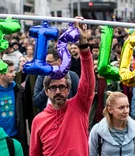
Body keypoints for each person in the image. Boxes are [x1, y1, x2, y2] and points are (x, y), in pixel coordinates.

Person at [29, 17, 95, 156]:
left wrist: (83, 45)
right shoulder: (38, 121)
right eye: (53, 88)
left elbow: (88, 80)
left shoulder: (79, 107)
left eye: (62, 87)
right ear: (46, 91)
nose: (58, 91)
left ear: (68, 89)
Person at [0, 60, 28, 153]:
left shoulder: (18, 90)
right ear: (1, 74)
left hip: (15, 137)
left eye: (14, 71)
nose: (14, 74)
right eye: (10, 71)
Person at [89, 91, 135, 156]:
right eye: (121, 108)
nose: (126, 111)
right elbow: (90, 153)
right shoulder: (98, 131)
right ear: (110, 109)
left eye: (127, 106)